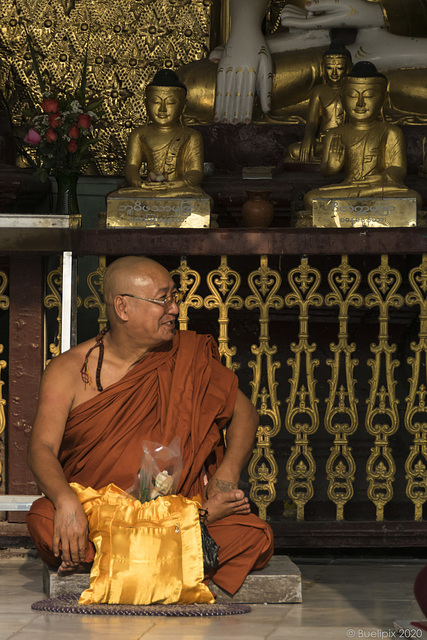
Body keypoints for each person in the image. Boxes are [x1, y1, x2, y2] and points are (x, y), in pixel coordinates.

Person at [26, 256, 273, 596]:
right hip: (101, 515)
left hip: (177, 510)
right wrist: (66, 501)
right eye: (163, 299)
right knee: (45, 519)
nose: (174, 309)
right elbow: (41, 448)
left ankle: (121, 561)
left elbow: (245, 413)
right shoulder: (69, 370)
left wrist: (223, 478)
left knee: (252, 534)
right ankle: (172, 555)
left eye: (174, 297)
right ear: (123, 307)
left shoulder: (186, 356)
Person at [178, 0, 427, 124]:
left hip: (401, 39)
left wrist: (377, 14)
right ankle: (363, 61)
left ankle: (370, 58)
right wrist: (244, 30)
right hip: (308, 42)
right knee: (189, 90)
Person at [303, 61, 423, 210]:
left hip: (380, 188)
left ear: (383, 99)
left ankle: (354, 207)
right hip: (349, 187)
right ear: (342, 98)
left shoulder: (390, 131)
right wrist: (331, 167)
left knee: (412, 198)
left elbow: (398, 169)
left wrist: (383, 177)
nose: (360, 103)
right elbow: (325, 171)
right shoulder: (335, 134)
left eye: (369, 96)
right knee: (311, 198)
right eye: (353, 96)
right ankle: (368, 207)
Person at [117, 69, 206, 198]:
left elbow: (196, 172)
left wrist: (173, 185)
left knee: (198, 197)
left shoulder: (192, 135)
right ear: (146, 104)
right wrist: (140, 184)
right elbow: (131, 167)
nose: (162, 109)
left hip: (178, 190)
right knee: (120, 197)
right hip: (147, 189)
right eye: (156, 102)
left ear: (183, 106)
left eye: (171, 102)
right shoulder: (139, 134)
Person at [285, 41, 352, 163]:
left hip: (345, 140)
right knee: (293, 150)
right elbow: (311, 121)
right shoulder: (319, 91)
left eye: (340, 68)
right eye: (330, 68)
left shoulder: (352, 91)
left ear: (348, 68)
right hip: (324, 140)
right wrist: (308, 139)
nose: (334, 73)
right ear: (323, 68)